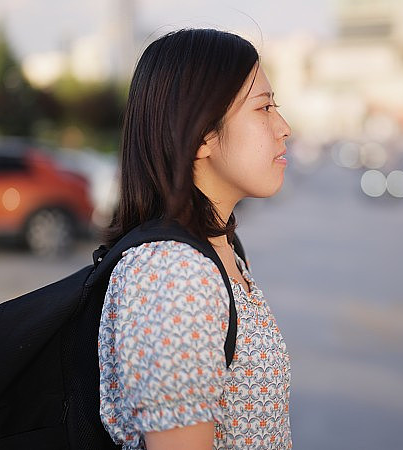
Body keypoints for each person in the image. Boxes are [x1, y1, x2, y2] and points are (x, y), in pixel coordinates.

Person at [98, 28, 292, 449]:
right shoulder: (174, 274)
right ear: (203, 133)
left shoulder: (219, 248)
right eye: (264, 108)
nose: (284, 127)